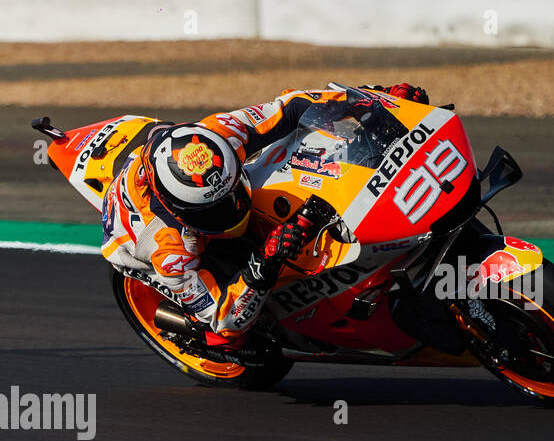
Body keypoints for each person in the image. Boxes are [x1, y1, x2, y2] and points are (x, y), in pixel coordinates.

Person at [100, 83, 428, 350]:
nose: (232, 210)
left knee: (302, 145)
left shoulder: (220, 134)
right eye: (216, 210)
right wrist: (265, 261)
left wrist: (372, 103)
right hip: (138, 244)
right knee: (227, 338)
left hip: (185, 178)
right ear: (179, 211)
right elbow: (222, 325)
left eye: (230, 195)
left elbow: (294, 107)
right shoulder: (169, 249)